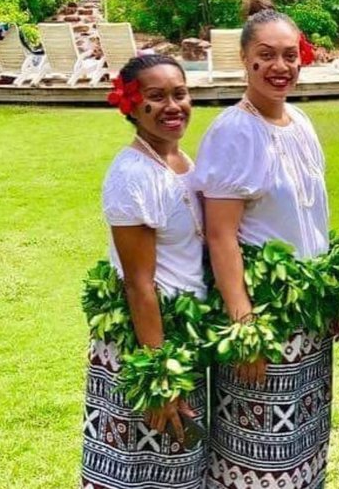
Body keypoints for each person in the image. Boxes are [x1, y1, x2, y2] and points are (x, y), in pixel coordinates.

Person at [195, 0, 336, 489]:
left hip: (307, 317)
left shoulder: (301, 123)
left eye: (290, 55)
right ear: (245, 60)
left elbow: (314, 218)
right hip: (262, 316)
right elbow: (220, 235)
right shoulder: (234, 132)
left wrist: (331, 294)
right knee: (259, 450)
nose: (281, 67)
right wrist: (245, 328)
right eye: (267, 55)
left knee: (304, 441)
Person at [81, 55, 208, 489]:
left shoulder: (182, 161)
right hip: (149, 339)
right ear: (131, 106)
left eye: (180, 93)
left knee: (181, 463)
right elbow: (138, 284)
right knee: (144, 464)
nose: (173, 106)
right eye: (156, 97)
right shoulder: (132, 175)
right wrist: (158, 375)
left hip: (183, 332)